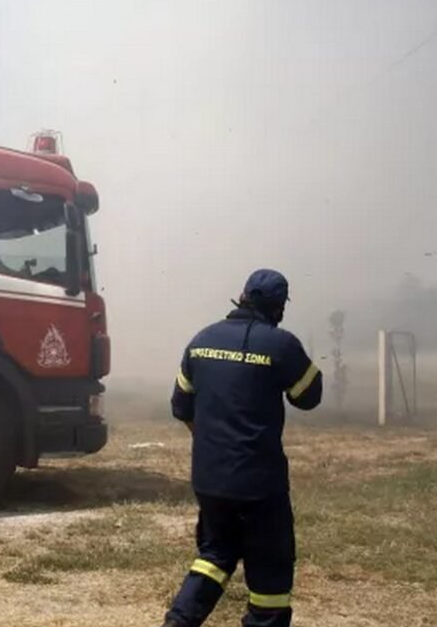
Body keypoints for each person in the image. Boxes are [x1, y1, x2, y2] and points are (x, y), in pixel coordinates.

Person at [161, 268, 323, 627]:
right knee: (270, 576)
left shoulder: (201, 340)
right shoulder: (281, 344)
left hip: (210, 478)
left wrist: (214, 444)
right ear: (280, 307)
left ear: (243, 295)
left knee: (215, 556)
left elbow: (180, 407)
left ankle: (178, 622)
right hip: (259, 484)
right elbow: (309, 397)